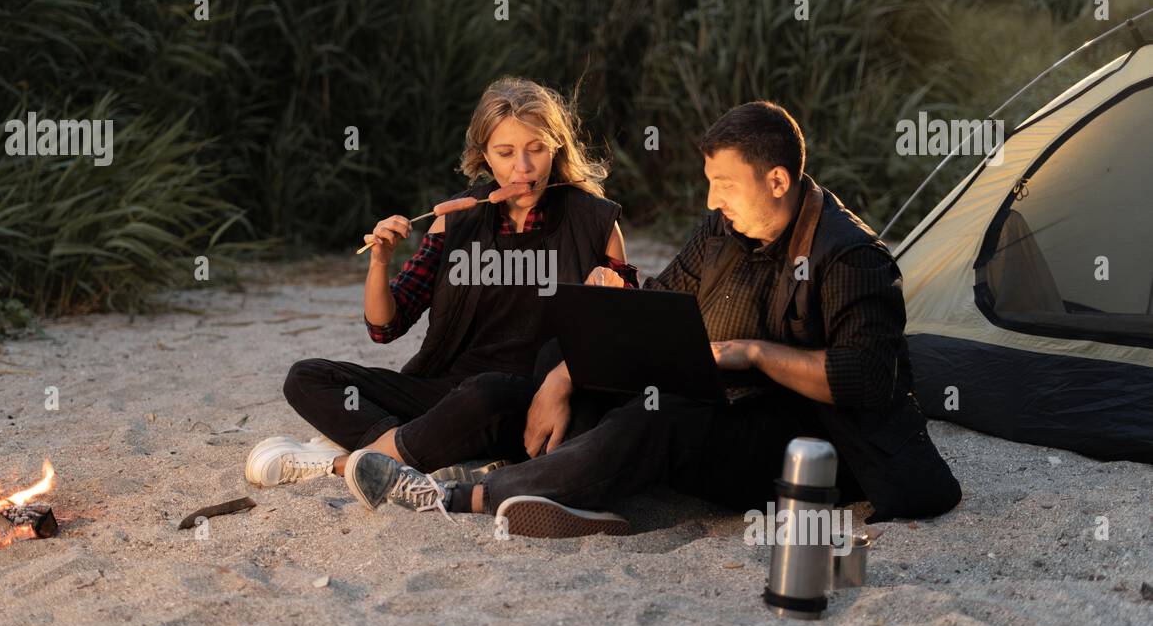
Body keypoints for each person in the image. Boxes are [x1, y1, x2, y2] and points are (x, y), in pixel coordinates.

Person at [341, 101, 963, 532]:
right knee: (558, 370)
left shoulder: (851, 256)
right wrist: (562, 377)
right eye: (708, 181)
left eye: (723, 183)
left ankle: (456, 496)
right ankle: (569, 495)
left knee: (660, 416)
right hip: (727, 400)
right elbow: (656, 307)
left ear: (777, 179)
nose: (712, 199)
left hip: (806, 442)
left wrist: (750, 353)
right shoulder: (724, 230)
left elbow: (866, 380)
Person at [246, 76, 637, 489]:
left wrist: (612, 290)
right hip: (443, 394)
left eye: (536, 149)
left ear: (556, 146)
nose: (522, 168)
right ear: (484, 156)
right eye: (505, 153)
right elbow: (385, 327)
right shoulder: (454, 221)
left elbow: (629, 332)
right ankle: (424, 450)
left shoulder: (596, 222)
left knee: (486, 394)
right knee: (306, 378)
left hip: (529, 403)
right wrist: (380, 262)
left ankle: (349, 463)